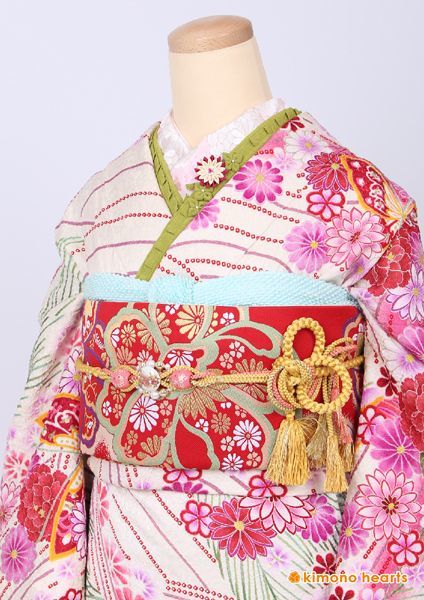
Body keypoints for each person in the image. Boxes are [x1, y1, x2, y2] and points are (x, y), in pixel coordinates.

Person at [0, 15, 423, 600]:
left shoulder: (360, 200)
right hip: (122, 554)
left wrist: (369, 582)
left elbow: (406, 407)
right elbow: (53, 403)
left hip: (288, 553)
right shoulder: (100, 202)